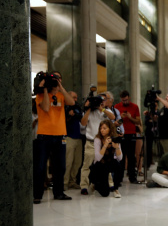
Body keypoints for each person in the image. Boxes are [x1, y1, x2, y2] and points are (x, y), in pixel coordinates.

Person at [33, 71, 75, 204]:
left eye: (58, 78)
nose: (56, 81)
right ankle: (38, 195)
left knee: (60, 167)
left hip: (60, 135)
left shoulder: (62, 95)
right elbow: (45, 108)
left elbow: (72, 103)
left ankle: (59, 193)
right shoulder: (40, 95)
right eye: (54, 79)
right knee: (40, 167)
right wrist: (45, 89)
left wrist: (60, 87)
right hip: (44, 136)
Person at [79, 94, 116, 195]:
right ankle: (84, 186)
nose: (102, 102)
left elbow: (113, 117)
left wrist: (102, 109)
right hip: (90, 142)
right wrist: (89, 108)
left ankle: (110, 184)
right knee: (86, 165)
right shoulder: (90, 112)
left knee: (105, 164)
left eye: (104, 100)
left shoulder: (107, 111)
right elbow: (83, 123)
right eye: (100, 100)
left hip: (103, 143)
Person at [88, 120, 123, 198]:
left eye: (104, 128)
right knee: (105, 193)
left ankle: (116, 189)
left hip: (110, 162)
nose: (102, 130)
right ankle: (95, 184)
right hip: (100, 164)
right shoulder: (98, 139)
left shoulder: (115, 138)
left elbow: (120, 158)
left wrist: (117, 148)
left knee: (119, 166)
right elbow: (98, 157)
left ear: (110, 129)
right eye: (101, 128)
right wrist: (105, 145)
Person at [114, 90, 142, 184]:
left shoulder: (134, 107)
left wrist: (130, 117)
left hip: (131, 133)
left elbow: (138, 122)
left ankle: (132, 177)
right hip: (121, 133)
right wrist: (121, 118)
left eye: (126, 100)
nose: (125, 102)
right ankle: (119, 177)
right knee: (120, 156)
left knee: (131, 156)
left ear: (129, 98)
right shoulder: (117, 107)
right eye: (123, 100)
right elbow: (114, 122)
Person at [63, 91, 83, 191]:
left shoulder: (78, 107)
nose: (75, 99)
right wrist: (69, 115)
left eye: (76, 98)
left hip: (78, 137)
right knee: (68, 162)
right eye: (73, 97)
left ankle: (72, 181)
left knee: (77, 162)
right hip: (69, 137)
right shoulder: (64, 107)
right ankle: (65, 182)